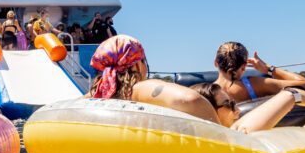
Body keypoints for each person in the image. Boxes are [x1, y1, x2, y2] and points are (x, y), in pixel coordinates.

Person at [88, 34, 220, 123]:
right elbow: (190, 99)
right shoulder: (138, 90)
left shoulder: (95, 95)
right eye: (144, 61)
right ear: (136, 65)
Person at [191, 82, 305, 133]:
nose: (237, 109)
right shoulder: (237, 131)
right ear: (208, 110)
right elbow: (290, 94)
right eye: (229, 104)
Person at [214, 42, 305, 103]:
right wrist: (268, 69)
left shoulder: (203, 92)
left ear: (216, 63)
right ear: (244, 67)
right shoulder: (255, 84)